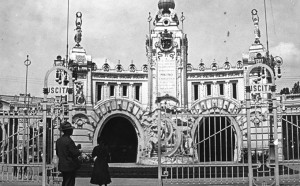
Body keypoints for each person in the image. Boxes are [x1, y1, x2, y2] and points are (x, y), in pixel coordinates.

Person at [56, 121, 81, 186]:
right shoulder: (69, 141)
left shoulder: (59, 141)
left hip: (62, 165)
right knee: (69, 183)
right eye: (71, 129)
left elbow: (58, 153)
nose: (72, 130)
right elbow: (75, 153)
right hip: (70, 165)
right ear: (68, 131)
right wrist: (79, 151)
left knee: (65, 181)